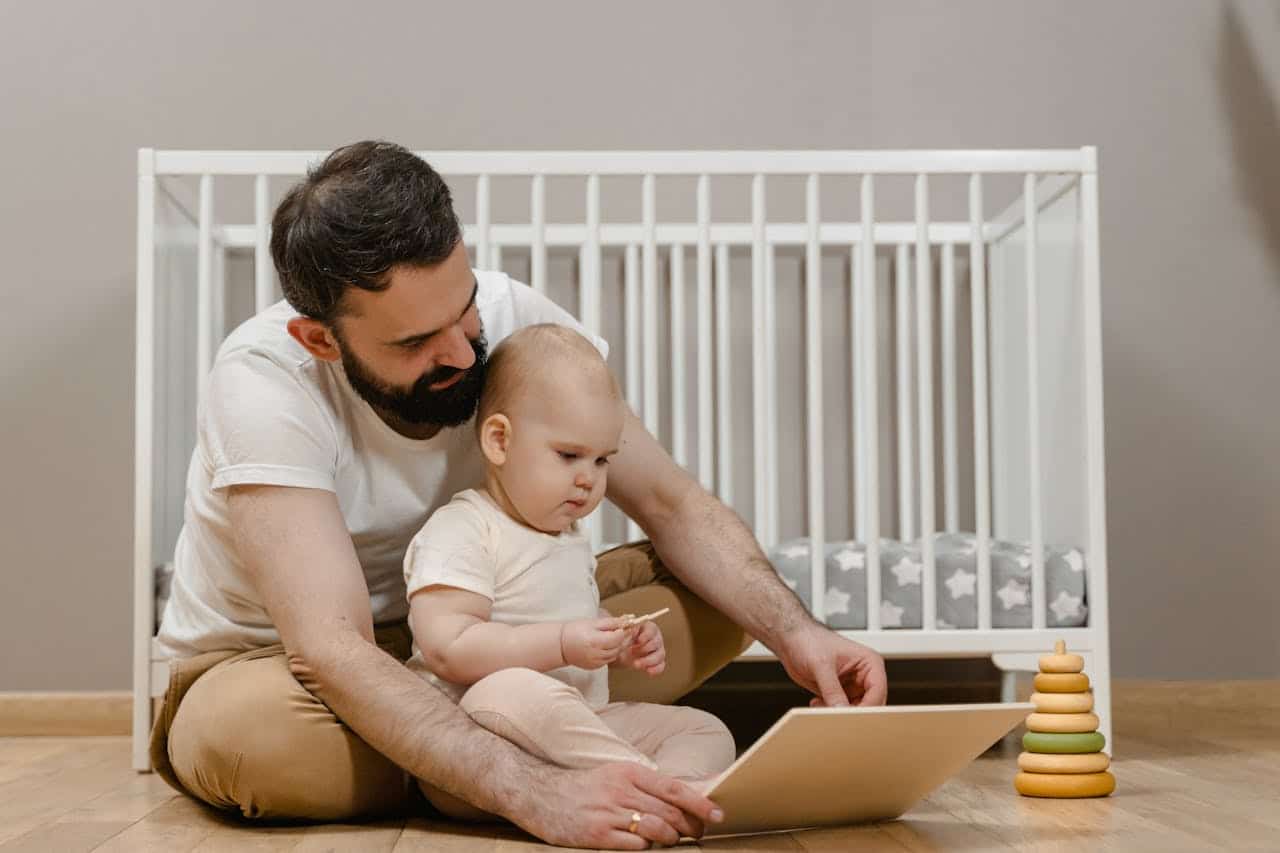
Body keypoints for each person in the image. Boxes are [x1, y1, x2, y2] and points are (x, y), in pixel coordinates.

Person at [150, 140, 888, 850]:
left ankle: (465, 756)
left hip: (492, 632)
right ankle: (499, 759)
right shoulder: (263, 383)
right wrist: (532, 791)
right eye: (415, 343)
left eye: (463, 311)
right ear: (321, 340)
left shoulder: (514, 318)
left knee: (720, 601)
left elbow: (672, 503)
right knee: (254, 744)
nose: (463, 352)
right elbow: (333, 648)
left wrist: (799, 632)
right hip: (283, 665)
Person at [406, 324, 737, 821]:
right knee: (508, 688)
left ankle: (662, 792)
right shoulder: (465, 528)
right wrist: (563, 643)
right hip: (479, 746)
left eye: (602, 459)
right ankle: (660, 790)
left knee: (705, 729)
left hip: (580, 732)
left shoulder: (568, 538)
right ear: (498, 440)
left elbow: (568, 614)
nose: (589, 478)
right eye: (568, 455)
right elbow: (448, 649)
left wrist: (616, 641)